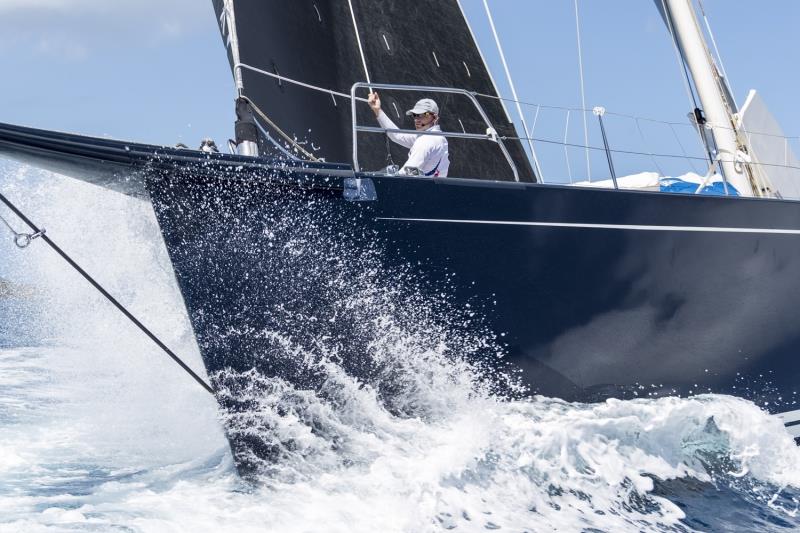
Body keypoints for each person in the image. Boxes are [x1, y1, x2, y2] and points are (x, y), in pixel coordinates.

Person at [368, 92, 450, 177]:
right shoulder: (436, 137)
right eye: (415, 115)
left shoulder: (426, 141)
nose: (417, 119)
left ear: (435, 118)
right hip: (434, 187)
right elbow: (397, 136)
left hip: (424, 188)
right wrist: (377, 110)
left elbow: (406, 173)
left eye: (424, 114)